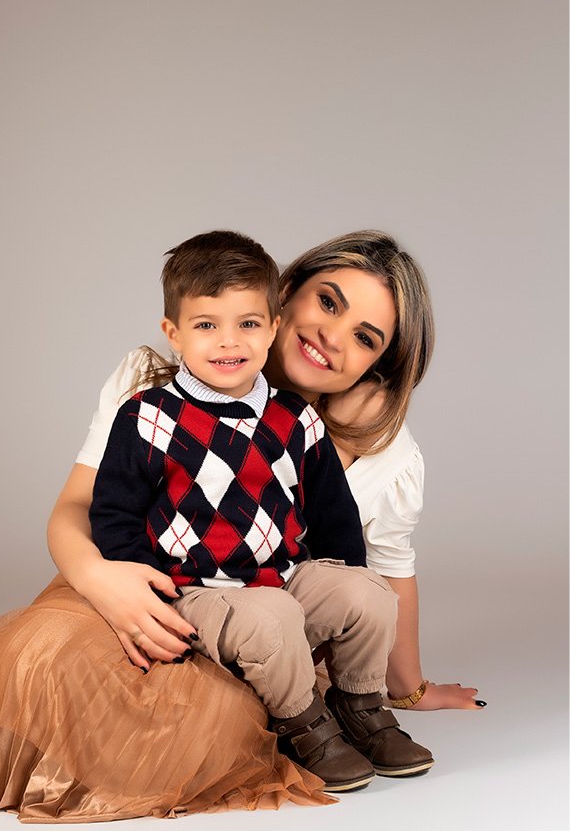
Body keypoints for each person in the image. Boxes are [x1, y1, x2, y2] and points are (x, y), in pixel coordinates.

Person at [0, 230, 482, 823]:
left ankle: (317, 725)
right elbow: (78, 509)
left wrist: (410, 687)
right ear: (285, 297)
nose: (332, 336)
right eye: (328, 302)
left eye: (365, 337)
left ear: (381, 363)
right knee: (59, 655)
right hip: (148, 586)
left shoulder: (380, 453)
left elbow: (386, 573)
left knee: (209, 721)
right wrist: (104, 581)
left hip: (279, 636)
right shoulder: (154, 389)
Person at [89, 231, 433, 792]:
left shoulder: (296, 418)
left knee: (369, 593)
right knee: (270, 615)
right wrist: (147, 591)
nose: (229, 342)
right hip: (194, 590)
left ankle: (360, 704)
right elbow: (112, 514)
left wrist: (345, 582)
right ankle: (304, 721)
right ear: (174, 334)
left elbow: (335, 517)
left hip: (283, 579)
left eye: (247, 325)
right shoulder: (148, 415)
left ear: (271, 327)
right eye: (207, 326)